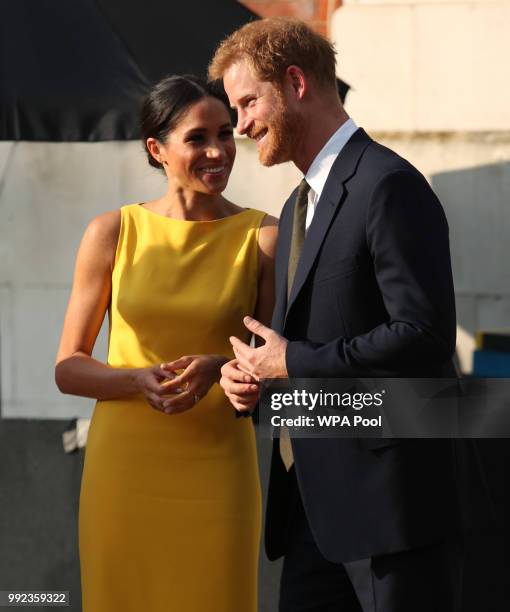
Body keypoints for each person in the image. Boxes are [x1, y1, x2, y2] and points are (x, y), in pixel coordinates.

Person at [210, 18, 487, 612]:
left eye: (248, 103)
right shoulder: (293, 206)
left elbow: (423, 334)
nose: (241, 126)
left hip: (394, 514)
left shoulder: (388, 184)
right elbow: (302, 350)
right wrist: (257, 378)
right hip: (311, 510)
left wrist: (293, 359)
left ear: (295, 83)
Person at [55, 75, 277, 612]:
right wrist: (135, 379)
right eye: (198, 138)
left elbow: (275, 366)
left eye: (226, 134)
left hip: (218, 470)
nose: (219, 150)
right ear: (156, 149)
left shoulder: (263, 236)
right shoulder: (112, 232)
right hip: (125, 471)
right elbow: (68, 367)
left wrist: (217, 367)